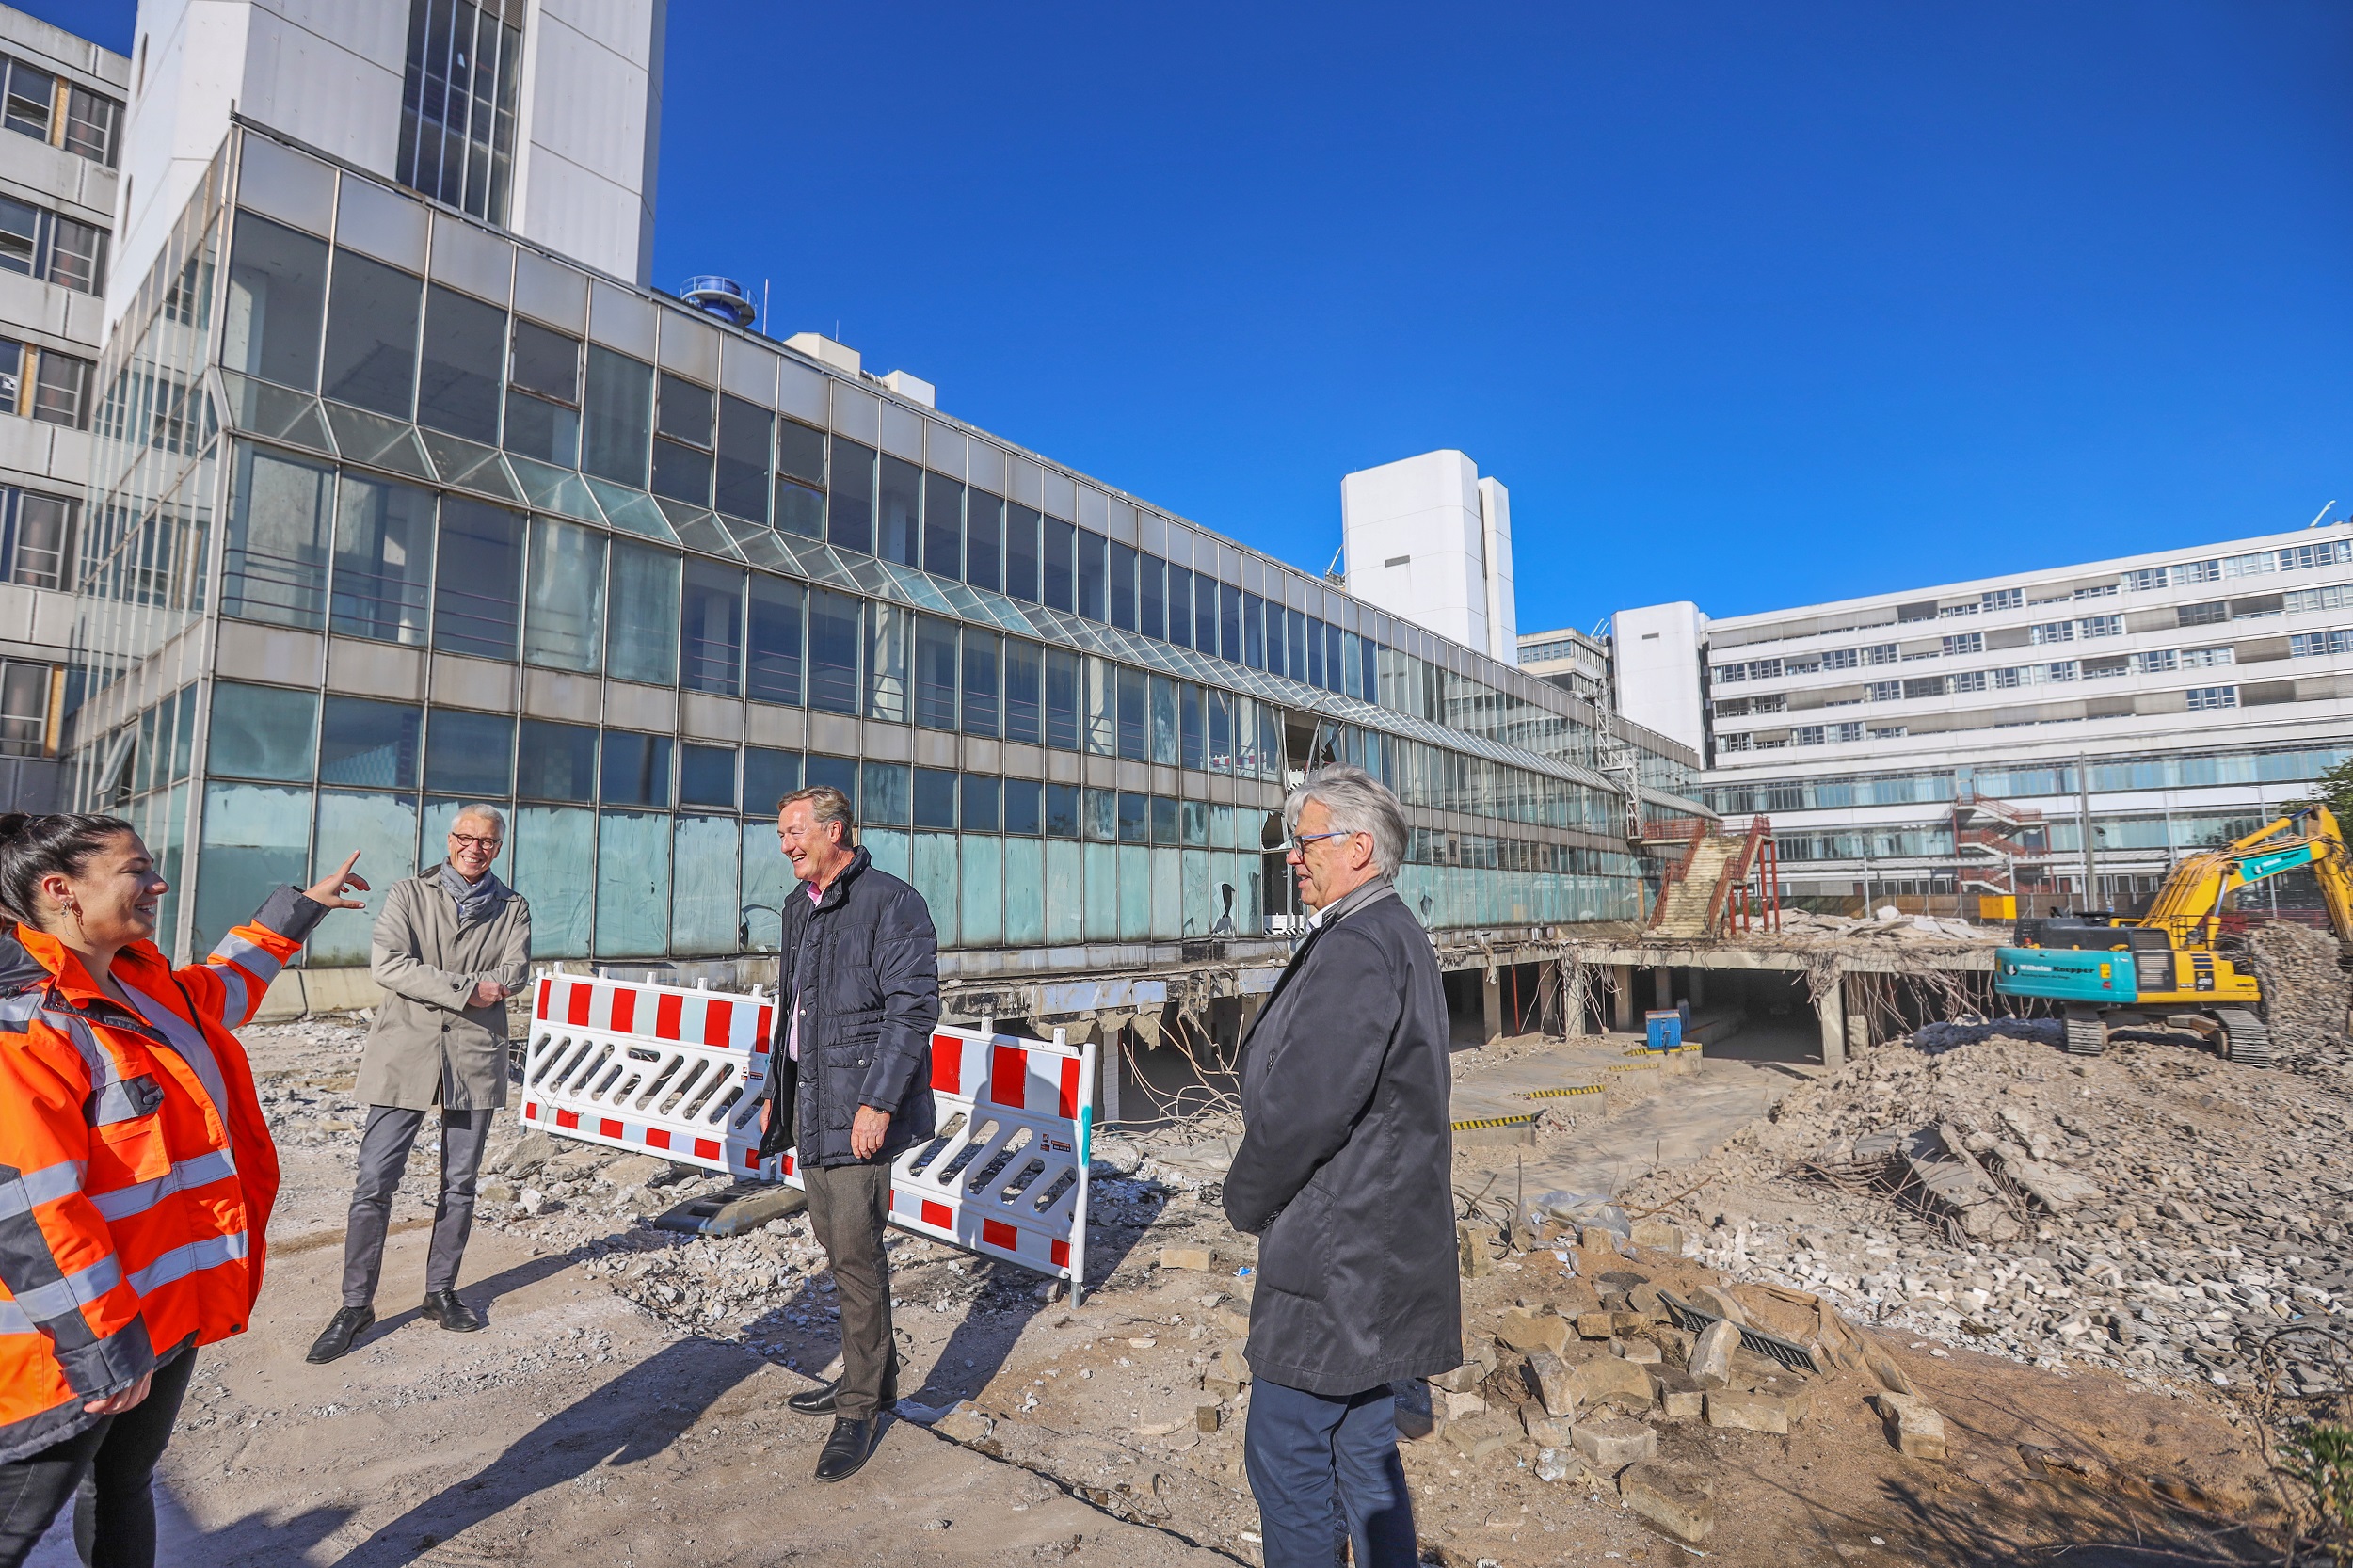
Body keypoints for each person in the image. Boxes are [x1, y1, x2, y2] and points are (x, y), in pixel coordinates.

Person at [0, 811, 367, 1568]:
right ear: (61, 890)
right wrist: (100, 1348)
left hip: (161, 1309)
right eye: (137, 870)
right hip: (69, 1341)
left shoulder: (143, 984)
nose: (158, 882)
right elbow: (28, 1209)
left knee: (124, 1484)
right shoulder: (27, 1024)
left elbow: (227, 987)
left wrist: (298, 912)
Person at [1222, 766, 1458, 1568]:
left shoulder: (1359, 946)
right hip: (1378, 1244)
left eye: (1306, 839)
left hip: (1337, 1252)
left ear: (1360, 847)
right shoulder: (1390, 931)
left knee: (1286, 1450)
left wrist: (1245, 1197)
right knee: (1362, 1446)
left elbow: (1308, 1109)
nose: (1294, 855)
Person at [759, 785, 938, 1482]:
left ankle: (859, 1405)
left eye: (794, 831)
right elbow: (793, 1013)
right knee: (836, 1244)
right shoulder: (798, 909)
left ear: (835, 830)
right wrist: (780, 1092)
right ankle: (878, 1375)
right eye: (781, 834)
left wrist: (879, 1102)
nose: (785, 845)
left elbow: (911, 1011)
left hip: (861, 1105)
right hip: (813, 1103)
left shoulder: (893, 903)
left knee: (856, 1255)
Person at [308, 806, 530, 1363]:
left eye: (487, 841)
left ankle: (441, 1292)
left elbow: (514, 975)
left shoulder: (514, 906)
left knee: (459, 1182)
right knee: (374, 1181)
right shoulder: (408, 894)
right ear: (449, 840)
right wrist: (464, 988)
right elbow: (388, 965)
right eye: (465, 837)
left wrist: (475, 985)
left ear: (498, 848)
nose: (474, 848)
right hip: (403, 1050)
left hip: (474, 1055)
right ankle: (355, 1304)